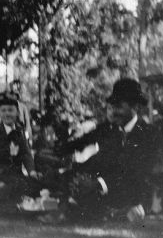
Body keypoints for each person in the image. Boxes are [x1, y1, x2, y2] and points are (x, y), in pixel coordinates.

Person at [59, 78, 153, 219]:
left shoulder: (148, 134)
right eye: (112, 107)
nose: (114, 112)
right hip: (110, 198)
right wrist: (75, 175)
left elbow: (134, 175)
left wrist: (96, 184)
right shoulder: (112, 132)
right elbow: (98, 162)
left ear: (135, 107)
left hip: (137, 202)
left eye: (119, 107)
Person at [0, 93, 40, 205]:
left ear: (17, 112)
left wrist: (32, 171)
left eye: (10, 110)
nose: (7, 114)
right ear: (0, 113)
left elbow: (26, 155)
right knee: (6, 195)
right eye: (3, 110)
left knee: (37, 188)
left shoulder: (19, 132)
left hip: (15, 178)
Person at [10, 80, 33, 145]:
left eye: (15, 96)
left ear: (17, 97)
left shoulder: (23, 107)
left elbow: (27, 121)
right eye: (12, 95)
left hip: (21, 129)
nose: (13, 97)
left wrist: (28, 133)